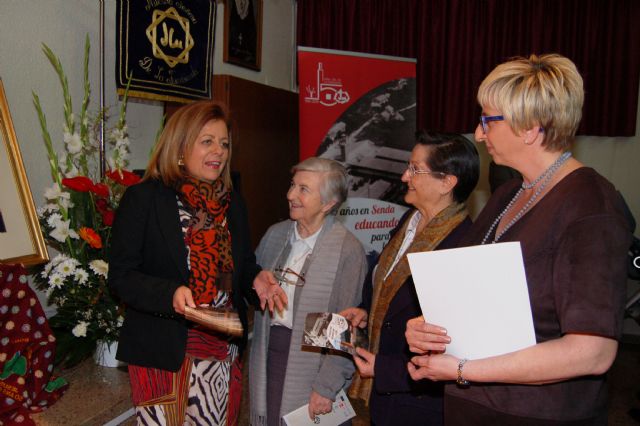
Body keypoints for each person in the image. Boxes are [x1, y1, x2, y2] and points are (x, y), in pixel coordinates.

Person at [405, 54, 630, 424]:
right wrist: (427, 326)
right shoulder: (508, 193)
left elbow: (592, 352)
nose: (478, 134)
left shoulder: (591, 207)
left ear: (529, 128)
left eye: (487, 121)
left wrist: (462, 369)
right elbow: (474, 295)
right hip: (475, 406)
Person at [108, 100, 261, 425]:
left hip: (220, 352)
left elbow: (240, 268)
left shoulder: (231, 205)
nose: (218, 151)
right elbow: (121, 277)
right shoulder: (145, 200)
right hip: (165, 355)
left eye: (223, 143)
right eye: (207, 141)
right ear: (179, 147)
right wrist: (170, 293)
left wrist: (257, 279)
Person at [341, 131, 480, 425]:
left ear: (447, 182)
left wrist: (385, 369)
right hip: (385, 399)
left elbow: (456, 348)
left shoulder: (465, 246)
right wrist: (368, 309)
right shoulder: (409, 220)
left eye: (415, 169)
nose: (405, 176)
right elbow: (388, 286)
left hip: (419, 403)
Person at [248, 157, 367, 425]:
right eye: (293, 185)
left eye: (304, 189)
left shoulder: (347, 250)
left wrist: (326, 387)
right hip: (270, 354)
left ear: (328, 204)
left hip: (315, 366)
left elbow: (345, 329)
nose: (291, 195)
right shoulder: (275, 235)